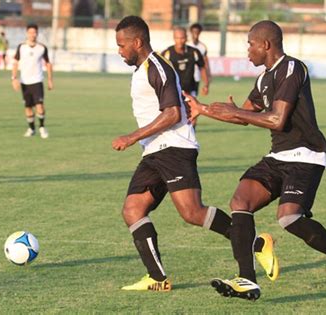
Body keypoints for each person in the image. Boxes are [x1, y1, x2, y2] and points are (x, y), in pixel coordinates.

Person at [184, 20, 326, 301]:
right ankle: (247, 279)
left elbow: (276, 118)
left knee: (289, 218)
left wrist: (237, 112)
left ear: (266, 45)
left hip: (306, 156)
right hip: (278, 157)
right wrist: (203, 109)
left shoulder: (292, 68)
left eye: (250, 44)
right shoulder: (263, 79)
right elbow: (242, 115)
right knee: (240, 202)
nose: (247, 50)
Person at [112, 16, 279, 292]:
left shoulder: (158, 68)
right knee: (132, 210)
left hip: (174, 148)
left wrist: (131, 137)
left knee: (192, 212)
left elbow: (173, 113)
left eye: (121, 45)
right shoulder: (144, 68)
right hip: (154, 150)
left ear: (137, 42)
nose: (119, 51)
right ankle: (157, 278)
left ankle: (255, 243)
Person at [11, 24, 53, 139]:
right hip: (24, 82)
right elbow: (15, 63)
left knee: (39, 106)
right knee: (28, 107)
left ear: (37, 33)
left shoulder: (42, 48)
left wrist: (50, 80)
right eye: (30, 32)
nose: (32, 35)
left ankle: (42, 127)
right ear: (27, 33)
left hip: (37, 81)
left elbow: (48, 63)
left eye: (34, 32)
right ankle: (31, 129)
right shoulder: (21, 47)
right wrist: (14, 78)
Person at [162, 27, 209, 97]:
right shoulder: (167, 53)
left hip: (190, 89)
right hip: (173, 90)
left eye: (182, 38)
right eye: (177, 38)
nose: (180, 41)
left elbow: (202, 68)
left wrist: (206, 85)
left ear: (186, 38)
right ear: (174, 38)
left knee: (191, 108)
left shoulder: (194, 52)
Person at [189, 23, 211, 95]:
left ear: (199, 33)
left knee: (193, 98)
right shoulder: (186, 45)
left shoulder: (202, 47)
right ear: (191, 32)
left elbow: (204, 65)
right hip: (184, 77)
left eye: (197, 32)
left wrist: (206, 83)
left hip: (196, 77)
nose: (195, 34)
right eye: (194, 32)